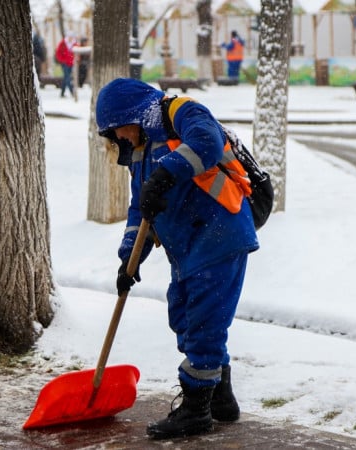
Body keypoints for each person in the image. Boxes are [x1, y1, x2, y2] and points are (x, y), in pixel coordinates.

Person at [96, 78, 259, 440]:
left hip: (220, 235)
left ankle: (195, 410)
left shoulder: (181, 111)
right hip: (187, 247)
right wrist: (129, 262)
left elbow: (207, 142)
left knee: (203, 322)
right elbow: (141, 210)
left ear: (133, 115)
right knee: (184, 317)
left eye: (117, 128)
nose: (119, 137)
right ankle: (219, 397)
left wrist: (167, 173)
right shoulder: (139, 154)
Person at [55, 31, 77, 97]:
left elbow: (76, 53)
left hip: (71, 63)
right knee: (67, 77)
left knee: (66, 77)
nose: (70, 38)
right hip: (64, 63)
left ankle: (62, 93)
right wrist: (62, 60)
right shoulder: (63, 43)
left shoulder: (74, 43)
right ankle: (72, 91)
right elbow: (58, 52)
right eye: (69, 37)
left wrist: (75, 60)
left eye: (71, 37)